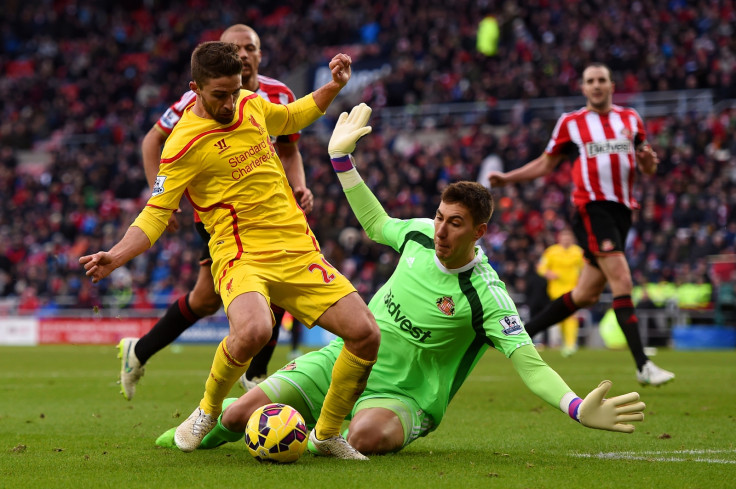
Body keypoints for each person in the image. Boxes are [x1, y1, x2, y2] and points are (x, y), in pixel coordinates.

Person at [155, 103, 646, 455]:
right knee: (239, 415)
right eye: (438, 217)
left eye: (454, 224)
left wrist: (577, 406)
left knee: (365, 437)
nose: (440, 230)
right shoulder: (416, 235)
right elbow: (375, 223)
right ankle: (213, 428)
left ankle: (318, 429)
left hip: (405, 395)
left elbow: (531, 366)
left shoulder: (487, 296)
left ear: (479, 231)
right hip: (341, 361)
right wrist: (343, 163)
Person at [80, 43, 380, 460]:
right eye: (219, 94)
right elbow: (154, 214)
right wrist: (116, 255)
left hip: (297, 248)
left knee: (366, 335)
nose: (229, 102)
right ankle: (206, 411)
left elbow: (294, 116)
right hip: (241, 254)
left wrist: (333, 86)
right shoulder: (182, 144)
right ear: (195, 89)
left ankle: (327, 434)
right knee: (256, 330)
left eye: (234, 91)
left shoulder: (252, 105)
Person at [118, 25, 311, 402]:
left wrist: (299, 185)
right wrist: (163, 194)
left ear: (259, 53)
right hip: (220, 213)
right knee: (212, 298)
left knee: (225, 295)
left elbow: (289, 150)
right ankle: (251, 377)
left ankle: (249, 374)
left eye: (249, 48)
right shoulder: (199, 100)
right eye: (235, 48)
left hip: (270, 208)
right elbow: (152, 140)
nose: (243, 54)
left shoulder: (278, 94)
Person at [488, 63, 674, 386]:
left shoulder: (630, 120)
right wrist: (508, 178)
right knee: (621, 278)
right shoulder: (571, 124)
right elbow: (547, 163)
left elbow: (648, 166)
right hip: (591, 208)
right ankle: (643, 365)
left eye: (602, 80)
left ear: (612, 85)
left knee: (586, 294)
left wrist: (649, 162)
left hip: (623, 211)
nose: (597, 85)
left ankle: (519, 335)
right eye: (591, 81)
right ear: (584, 88)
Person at [536, 228, 584, 356]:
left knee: (571, 316)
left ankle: (570, 344)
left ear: (572, 239)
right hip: (556, 291)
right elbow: (541, 267)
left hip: (573, 290)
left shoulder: (578, 252)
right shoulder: (551, 252)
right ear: (559, 238)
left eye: (568, 237)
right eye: (564, 237)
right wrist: (548, 273)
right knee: (560, 318)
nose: (566, 239)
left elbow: (585, 269)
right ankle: (562, 344)